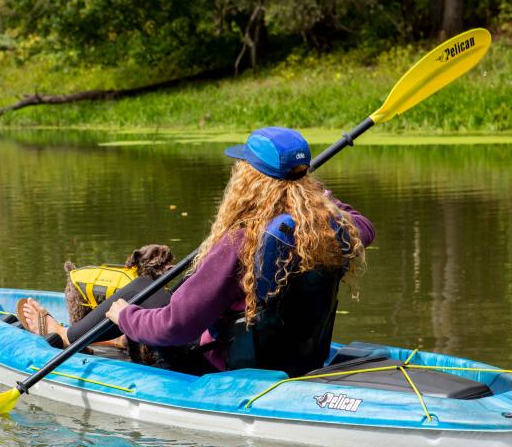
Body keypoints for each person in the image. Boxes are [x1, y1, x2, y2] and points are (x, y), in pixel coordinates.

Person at [20, 126, 374, 376]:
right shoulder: (329, 234)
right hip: (298, 358)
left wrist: (123, 314)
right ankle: (117, 338)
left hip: (223, 366)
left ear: (248, 181)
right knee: (157, 295)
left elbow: (174, 327)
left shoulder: (240, 242)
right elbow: (364, 225)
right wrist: (310, 194)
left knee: (138, 291)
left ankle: (70, 336)